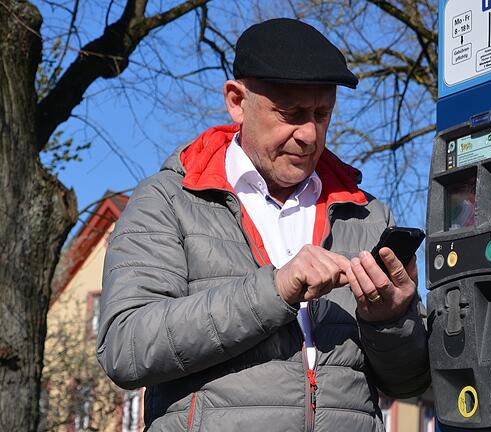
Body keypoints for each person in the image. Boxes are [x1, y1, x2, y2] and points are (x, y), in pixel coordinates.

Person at [96, 18, 430, 431]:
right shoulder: (169, 200)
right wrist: (275, 290)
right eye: (290, 114)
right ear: (237, 101)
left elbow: (410, 382)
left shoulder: (365, 214)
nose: (309, 134)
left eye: (322, 113)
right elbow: (126, 348)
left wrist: (392, 320)